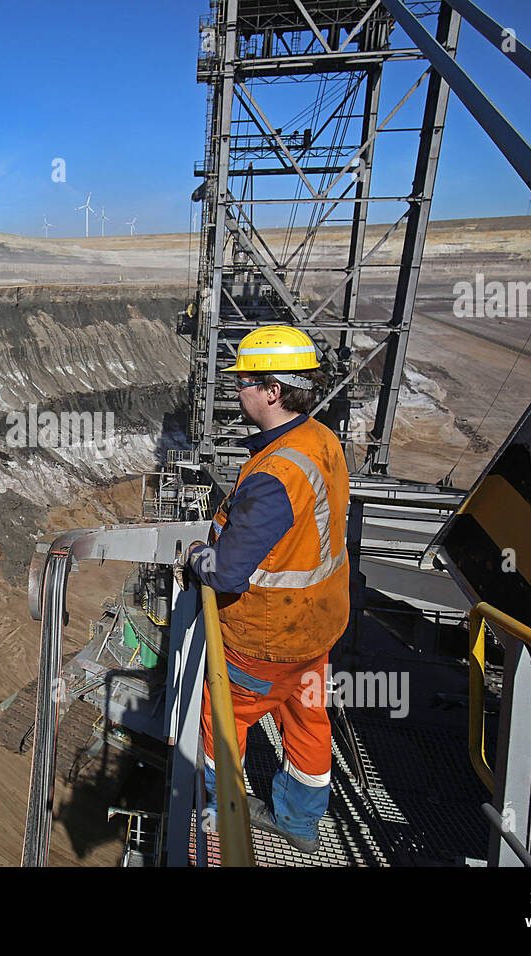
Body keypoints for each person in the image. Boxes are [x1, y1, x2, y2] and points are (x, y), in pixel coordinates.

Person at [179, 324, 350, 853]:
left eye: (246, 381)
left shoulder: (276, 474)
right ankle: (300, 824)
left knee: (219, 725)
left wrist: (195, 558)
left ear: (273, 391)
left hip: (265, 638)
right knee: (306, 721)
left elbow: (227, 571)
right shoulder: (319, 439)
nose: (237, 390)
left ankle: (218, 810)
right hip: (317, 627)